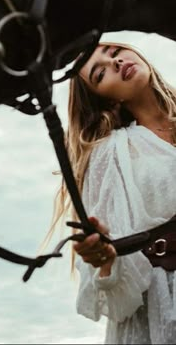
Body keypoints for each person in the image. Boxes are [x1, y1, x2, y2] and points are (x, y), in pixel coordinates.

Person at [53, 42, 176, 344]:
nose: (116, 62)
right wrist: (105, 255)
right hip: (164, 301)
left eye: (111, 51)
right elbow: (112, 277)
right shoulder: (111, 154)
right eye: (100, 73)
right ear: (106, 102)